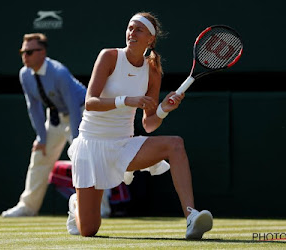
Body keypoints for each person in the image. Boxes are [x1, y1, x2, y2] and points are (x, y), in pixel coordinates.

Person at [66, 12, 213, 239]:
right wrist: (126, 100)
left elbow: (149, 124)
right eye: (130, 28)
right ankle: (76, 204)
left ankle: (191, 216)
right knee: (89, 230)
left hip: (124, 145)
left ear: (150, 40)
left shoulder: (152, 70)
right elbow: (90, 102)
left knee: (175, 144)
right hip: (91, 146)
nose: (131, 33)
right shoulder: (109, 56)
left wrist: (164, 108)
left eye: (138, 30)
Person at [2, 33, 111, 218]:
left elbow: (73, 107)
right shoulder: (24, 74)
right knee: (39, 154)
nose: (24, 56)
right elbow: (34, 106)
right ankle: (28, 207)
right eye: (22, 51)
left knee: (87, 158)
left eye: (29, 52)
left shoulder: (59, 72)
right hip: (55, 117)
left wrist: (78, 140)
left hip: (82, 113)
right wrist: (41, 138)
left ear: (42, 52)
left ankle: (101, 208)